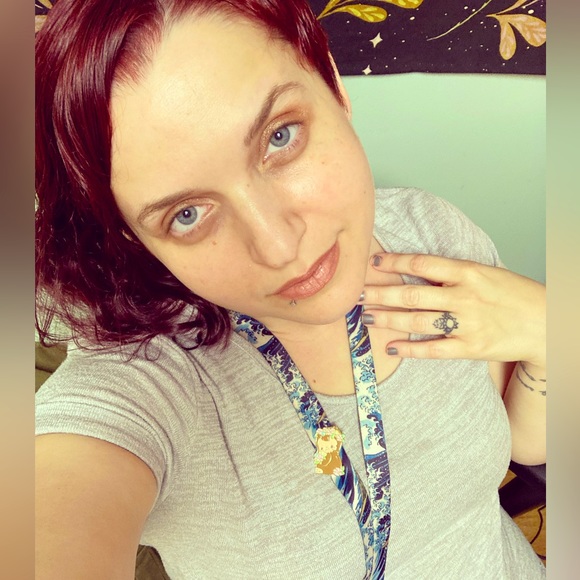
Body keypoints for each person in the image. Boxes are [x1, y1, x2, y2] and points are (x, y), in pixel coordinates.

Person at [34, 0, 546, 578]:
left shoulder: (431, 234)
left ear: (332, 83)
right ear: (135, 237)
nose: (278, 247)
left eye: (280, 136)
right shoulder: (149, 381)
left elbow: (524, 444)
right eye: (186, 214)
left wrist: (551, 329)